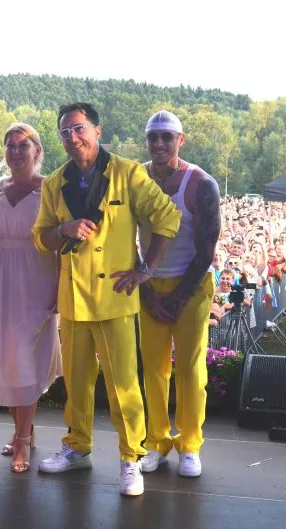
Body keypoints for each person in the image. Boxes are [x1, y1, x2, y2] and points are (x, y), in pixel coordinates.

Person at [31, 102, 180, 496]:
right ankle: (77, 446)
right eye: (65, 132)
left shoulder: (129, 174)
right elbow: (41, 238)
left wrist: (146, 269)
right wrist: (64, 229)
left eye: (79, 128)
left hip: (115, 297)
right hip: (73, 298)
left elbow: (168, 217)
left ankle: (131, 457)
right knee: (76, 382)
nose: (72, 137)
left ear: (97, 130)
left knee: (124, 385)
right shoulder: (54, 183)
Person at [0, 123, 61, 473]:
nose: (16, 151)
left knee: (26, 357)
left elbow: (60, 242)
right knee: (7, 358)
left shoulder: (51, 189)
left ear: (37, 151)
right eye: (10, 145)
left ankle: (23, 439)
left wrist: (61, 285)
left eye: (24, 145)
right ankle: (25, 429)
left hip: (36, 277)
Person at [137, 110, 220, 479]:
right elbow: (122, 239)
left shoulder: (201, 183)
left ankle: (189, 444)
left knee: (189, 368)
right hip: (150, 284)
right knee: (153, 369)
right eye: (152, 137)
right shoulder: (135, 179)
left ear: (180, 140)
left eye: (166, 137)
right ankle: (156, 441)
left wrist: (178, 297)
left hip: (193, 284)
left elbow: (206, 250)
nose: (159, 143)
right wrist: (147, 293)